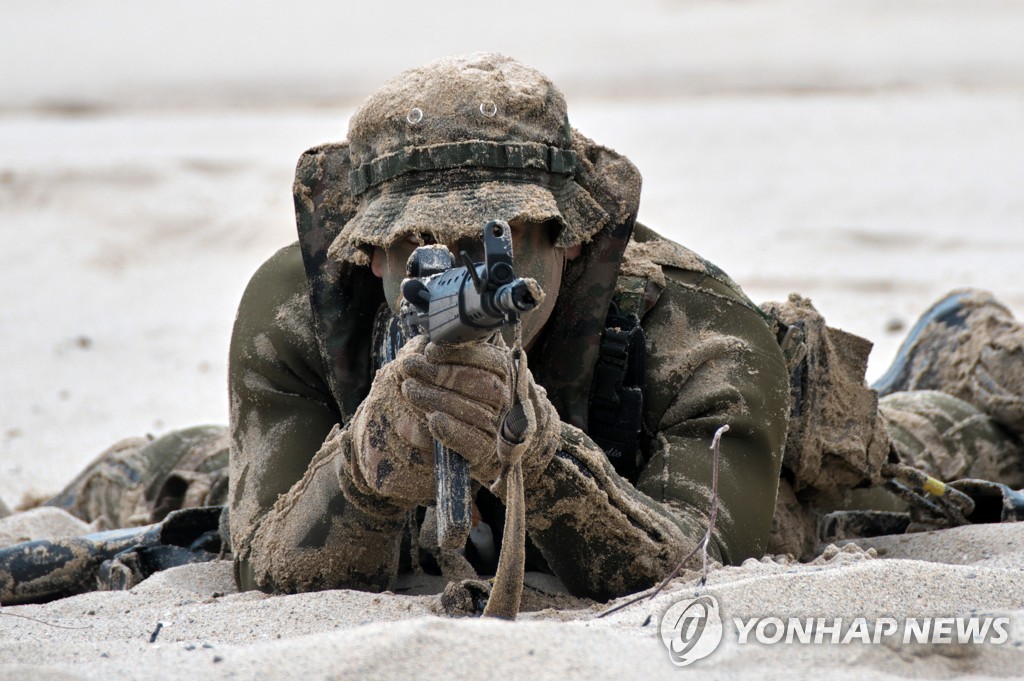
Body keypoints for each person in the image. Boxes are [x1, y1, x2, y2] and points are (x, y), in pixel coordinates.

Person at [14, 53, 1024, 608]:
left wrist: (543, 460)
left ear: (570, 238)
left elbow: (704, 575)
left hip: (711, 451)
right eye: (419, 249)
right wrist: (374, 459)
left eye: (499, 246)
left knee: (952, 436)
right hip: (384, 467)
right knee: (182, 481)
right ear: (368, 253)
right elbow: (264, 563)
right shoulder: (294, 308)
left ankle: (952, 333)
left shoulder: (695, 332)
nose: (453, 271)